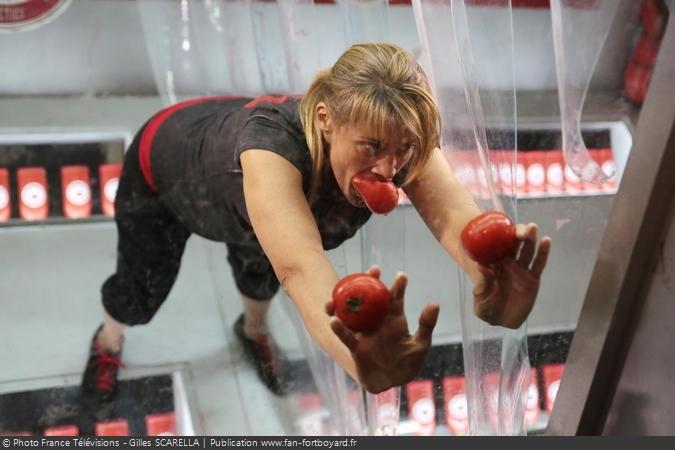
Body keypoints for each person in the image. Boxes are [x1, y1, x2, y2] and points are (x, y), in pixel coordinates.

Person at [81, 43, 551, 400]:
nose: (391, 170)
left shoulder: (395, 135)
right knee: (140, 293)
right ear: (325, 119)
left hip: (239, 186)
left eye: (403, 151)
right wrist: (356, 357)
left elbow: (453, 214)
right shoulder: (271, 152)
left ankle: (253, 332)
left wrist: (487, 276)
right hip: (167, 172)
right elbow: (301, 268)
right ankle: (108, 340)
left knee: (258, 270)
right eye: (371, 148)